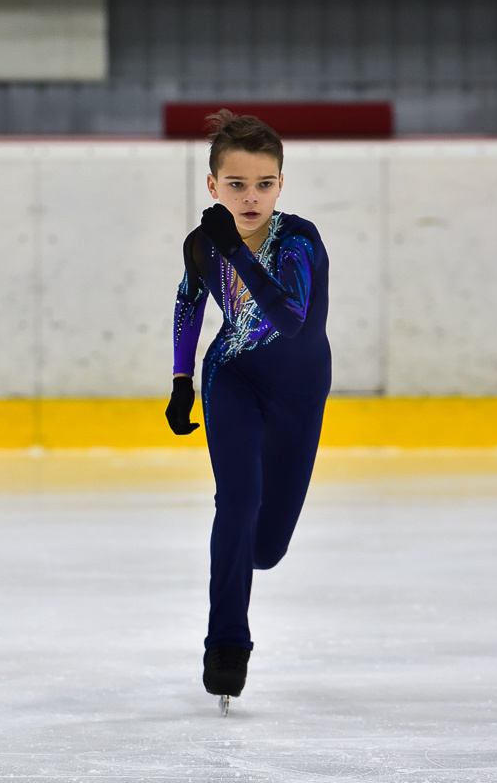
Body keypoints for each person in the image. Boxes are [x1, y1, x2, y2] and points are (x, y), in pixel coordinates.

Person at [165, 109, 332, 701]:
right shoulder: (201, 246)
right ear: (212, 187)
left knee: (266, 548)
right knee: (237, 500)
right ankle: (226, 642)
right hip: (231, 378)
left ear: (281, 184)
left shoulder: (299, 243)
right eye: (236, 184)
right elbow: (189, 302)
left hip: (298, 391)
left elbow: (290, 320)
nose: (251, 196)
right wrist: (183, 378)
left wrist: (235, 249)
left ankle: (247, 572)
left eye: (264, 183)